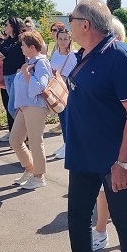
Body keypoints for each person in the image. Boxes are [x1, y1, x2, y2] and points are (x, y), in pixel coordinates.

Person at [55, 0, 127, 252]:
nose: (68, 24)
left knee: (123, 219)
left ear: (86, 25)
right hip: (82, 155)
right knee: (77, 219)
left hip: (113, 159)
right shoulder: (82, 55)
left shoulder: (119, 56)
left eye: (72, 18)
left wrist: (124, 163)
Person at [91, 17, 127, 251]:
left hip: (120, 144)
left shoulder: (122, 60)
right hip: (106, 142)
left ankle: (103, 232)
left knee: (113, 194)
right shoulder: (101, 61)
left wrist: (124, 161)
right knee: (111, 196)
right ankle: (112, 228)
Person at [10, 31, 52, 190]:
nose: (21, 48)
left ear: (32, 47)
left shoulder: (41, 62)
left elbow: (39, 86)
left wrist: (26, 73)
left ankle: (39, 176)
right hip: (25, 107)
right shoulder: (29, 62)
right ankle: (30, 168)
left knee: (35, 141)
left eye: (23, 45)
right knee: (15, 140)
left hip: (35, 107)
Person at [49, 28, 77, 159]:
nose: (62, 41)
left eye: (65, 39)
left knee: (68, 119)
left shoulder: (72, 55)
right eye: (60, 38)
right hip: (57, 90)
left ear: (70, 39)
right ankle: (66, 144)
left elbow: (77, 71)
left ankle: (70, 146)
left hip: (68, 90)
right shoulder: (55, 53)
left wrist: (65, 77)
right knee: (62, 118)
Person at [0, 17, 26, 137]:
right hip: (7, 75)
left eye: (6, 24)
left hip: (16, 75)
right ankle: (20, 133)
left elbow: (19, 54)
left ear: (13, 26)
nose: (5, 27)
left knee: (14, 106)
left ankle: (23, 132)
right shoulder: (6, 41)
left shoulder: (20, 40)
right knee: (12, 105)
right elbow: (1, 51)